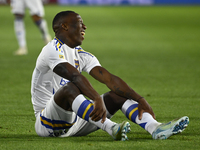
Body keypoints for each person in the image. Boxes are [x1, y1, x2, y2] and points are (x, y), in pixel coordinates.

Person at [31, 10, 189, 140]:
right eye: (80, 23)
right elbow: (75, 77)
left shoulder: (81, 55)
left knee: (118, 95)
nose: (84, 27)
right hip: (47, 123)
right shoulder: (51, 50)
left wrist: (139, 99)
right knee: (70, 88)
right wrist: (96, 98)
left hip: (76, 122)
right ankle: (111, 128)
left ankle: (155, 128)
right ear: (64, 26)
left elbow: (110, 79)